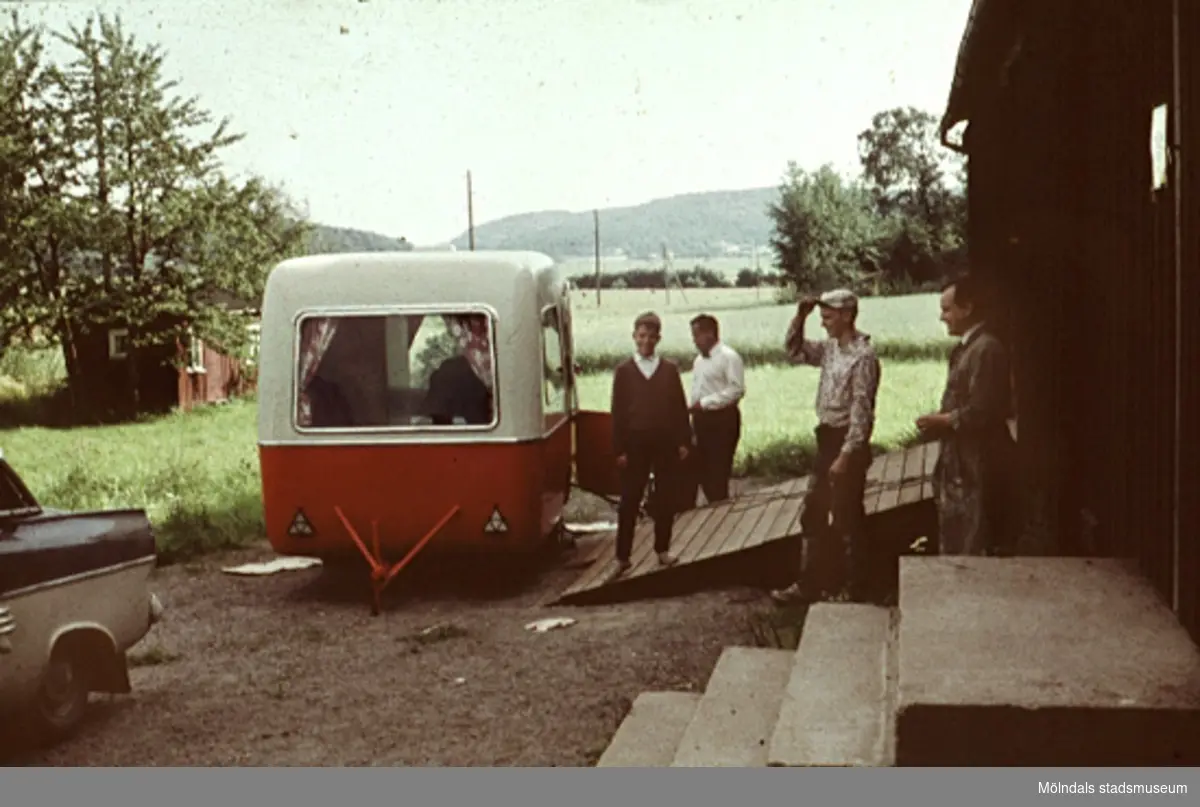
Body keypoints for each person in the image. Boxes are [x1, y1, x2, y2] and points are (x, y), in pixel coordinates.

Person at [771, 289, 881, 604]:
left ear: (847, 316)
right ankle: (811, 584)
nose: (824, 324)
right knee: (814, 514)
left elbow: (863, 411)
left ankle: (855, 587)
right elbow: (793, 351)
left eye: (828, 317)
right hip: (826, 437)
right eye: (821, 318)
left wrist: (847, 455)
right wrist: (800, 316)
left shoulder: (863, 357)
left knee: (847, 517)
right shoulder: (831, 349)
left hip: (847, 442)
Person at [915, 274, 1017, 556]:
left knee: (976, 536)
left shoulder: (986, 349)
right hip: (962, 460)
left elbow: (983, 411)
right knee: (957, 531)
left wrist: (943, 421)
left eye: (947, 309)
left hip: (981, 460)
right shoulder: (964, 349)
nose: (942, 317)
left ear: (968, 308)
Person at [607, 311, 692, 580]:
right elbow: (617, 412)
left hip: (665, 442)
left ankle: (662, 550)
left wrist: (683, 440)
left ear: (658, 338)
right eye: (641, 336)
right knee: (630, 500)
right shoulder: (624, 371)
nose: (646, 341)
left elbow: (679, 407)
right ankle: (623, 557)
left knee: (666, 497)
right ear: (634, 337)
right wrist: (619, 449)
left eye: (651, 336)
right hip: (634, 443)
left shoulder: (668, 369)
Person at [688, 313, 746, 504]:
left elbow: (736, 389)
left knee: (718, 471)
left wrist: (705, 403)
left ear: (710, 333)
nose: (694, 340)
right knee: (702, 469)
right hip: (701, 420)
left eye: (697, 335)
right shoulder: (698, 361)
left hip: (722, 421)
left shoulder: (729, 357)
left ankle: (721, 513)